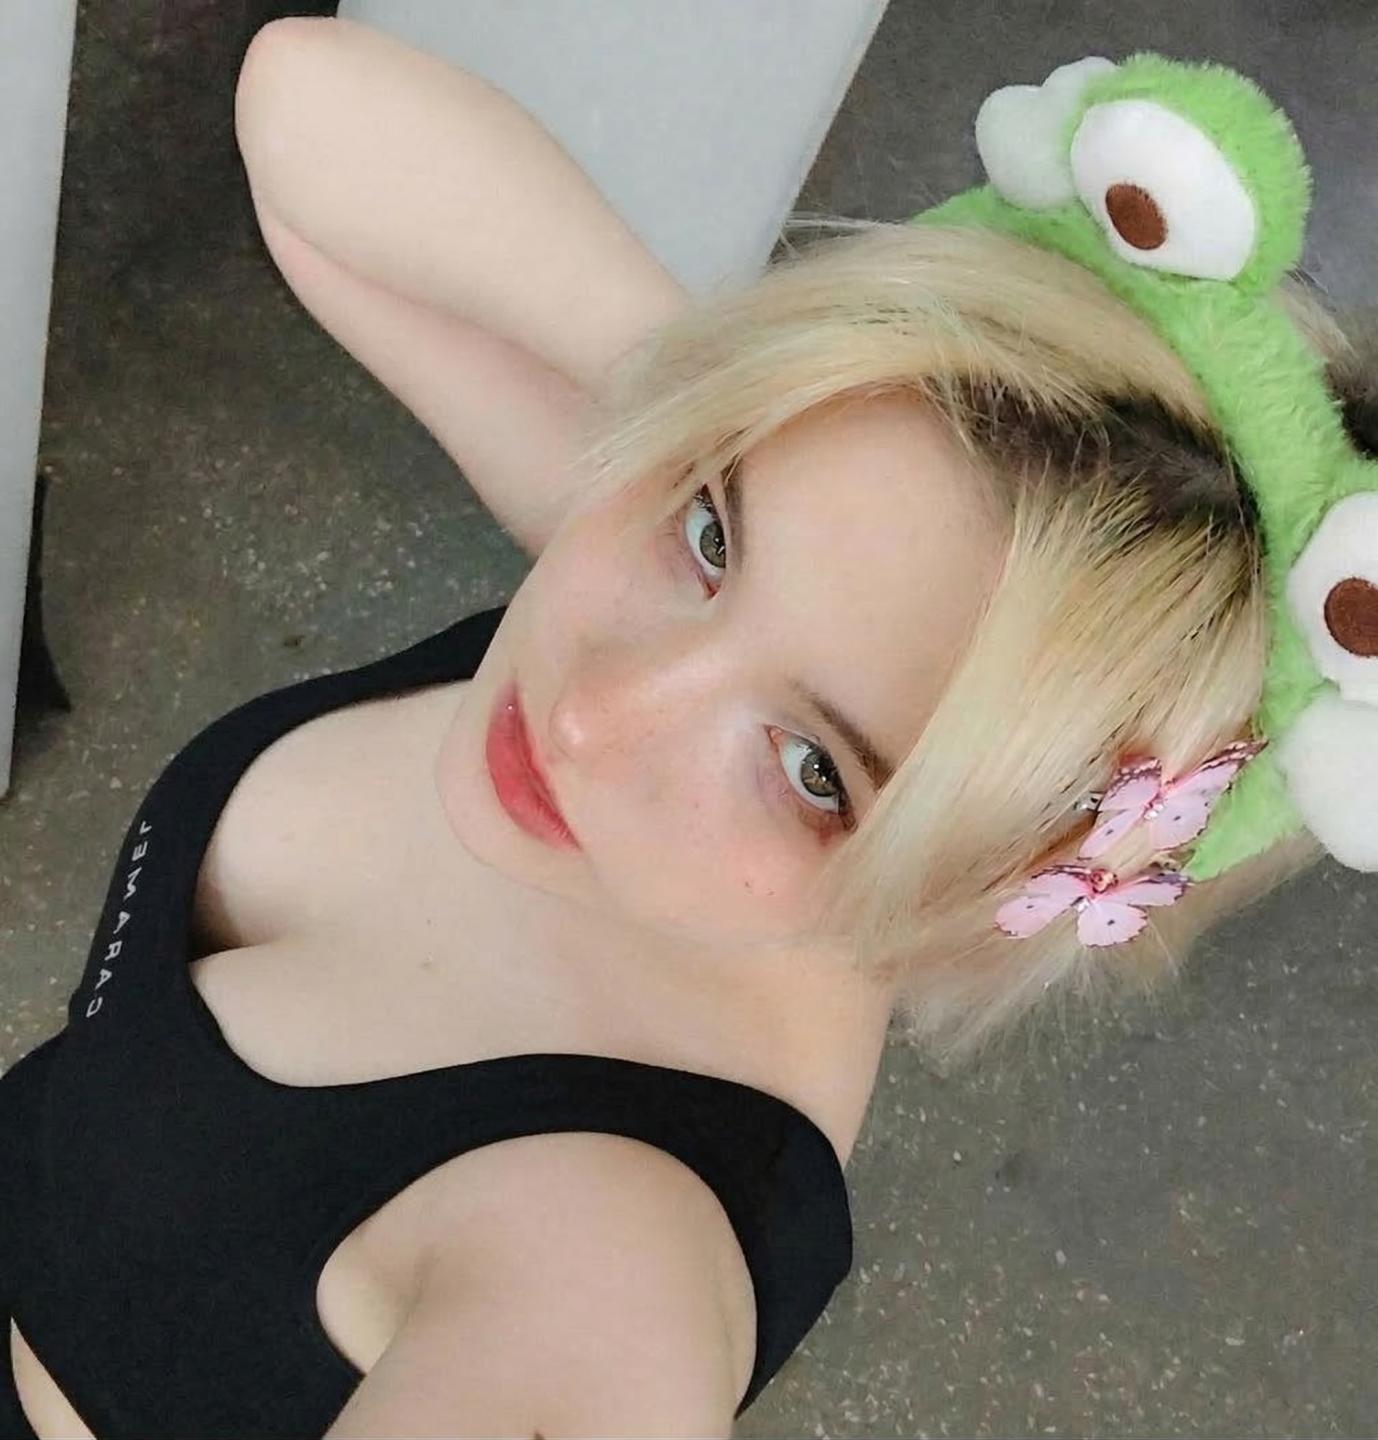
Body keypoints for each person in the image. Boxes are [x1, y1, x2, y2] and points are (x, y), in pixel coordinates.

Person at [3, 19, 1372, 1439]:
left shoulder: (606, 1267)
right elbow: (303, 107)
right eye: (718, 532)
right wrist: (724, 394)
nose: (594, 712)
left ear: (976, 903)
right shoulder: (624, 551)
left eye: (812, 770)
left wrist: (746, 485)